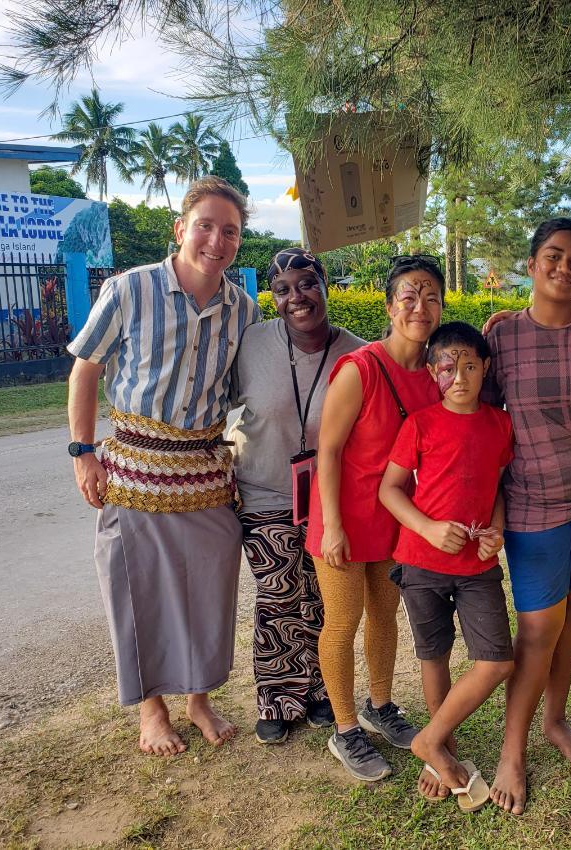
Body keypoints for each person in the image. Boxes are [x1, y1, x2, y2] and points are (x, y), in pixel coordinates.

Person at [67, 176, 260, 756]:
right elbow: (85, 369)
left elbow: (248, 395)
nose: (216, 240)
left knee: (211, 587)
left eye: (230, 231)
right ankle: (152, 709)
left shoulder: (243, 311)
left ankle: (199, 698)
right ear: (181, 229)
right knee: (136, 588)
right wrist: (82, 452)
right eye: (205, 225)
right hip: (132, 467)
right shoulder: (129, 290)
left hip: (204, 472)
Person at [483, 218, 571, 815]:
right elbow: (484, 423)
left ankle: (556, 720)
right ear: (531, 262)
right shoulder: (501, 336)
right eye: (552, 256)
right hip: (533, 506)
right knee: (537, 629)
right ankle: (511, 751)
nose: (564, 268)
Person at [306, 255, 443, 782]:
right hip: (342, 517)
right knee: (342, 622)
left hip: (394, 519)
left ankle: (379, 706)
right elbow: (329, 449)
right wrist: (334, 525)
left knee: (386, 616)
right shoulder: (360, 368)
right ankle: (345, 729)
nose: (419, 306)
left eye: (430, 296)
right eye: (408, 296)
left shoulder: (435, 375)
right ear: (390, 306)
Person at [229, 248, 365, 744]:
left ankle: (324, 691)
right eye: (282, 289)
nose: (296, 297)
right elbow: (212, 400)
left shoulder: (357, 353)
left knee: (326, 601)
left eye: (306, 283)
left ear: (325, 284)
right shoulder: (250, 344)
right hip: (264, 490)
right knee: (279, 594)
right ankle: (278, 697)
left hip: (332, 496)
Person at [378, 321, 515, 811]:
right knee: (432, 655)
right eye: (448, 367)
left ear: (486, 369)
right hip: (421, 562)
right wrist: (429, 528)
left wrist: (495, 531)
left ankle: (428, 740)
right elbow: (389, 490)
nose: (460, 377)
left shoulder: (500, 424)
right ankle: (443, 754)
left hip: (477, 565)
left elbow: (496, 487)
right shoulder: (420, 423)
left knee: (497, 659)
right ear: (434, 372)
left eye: (470, 366)